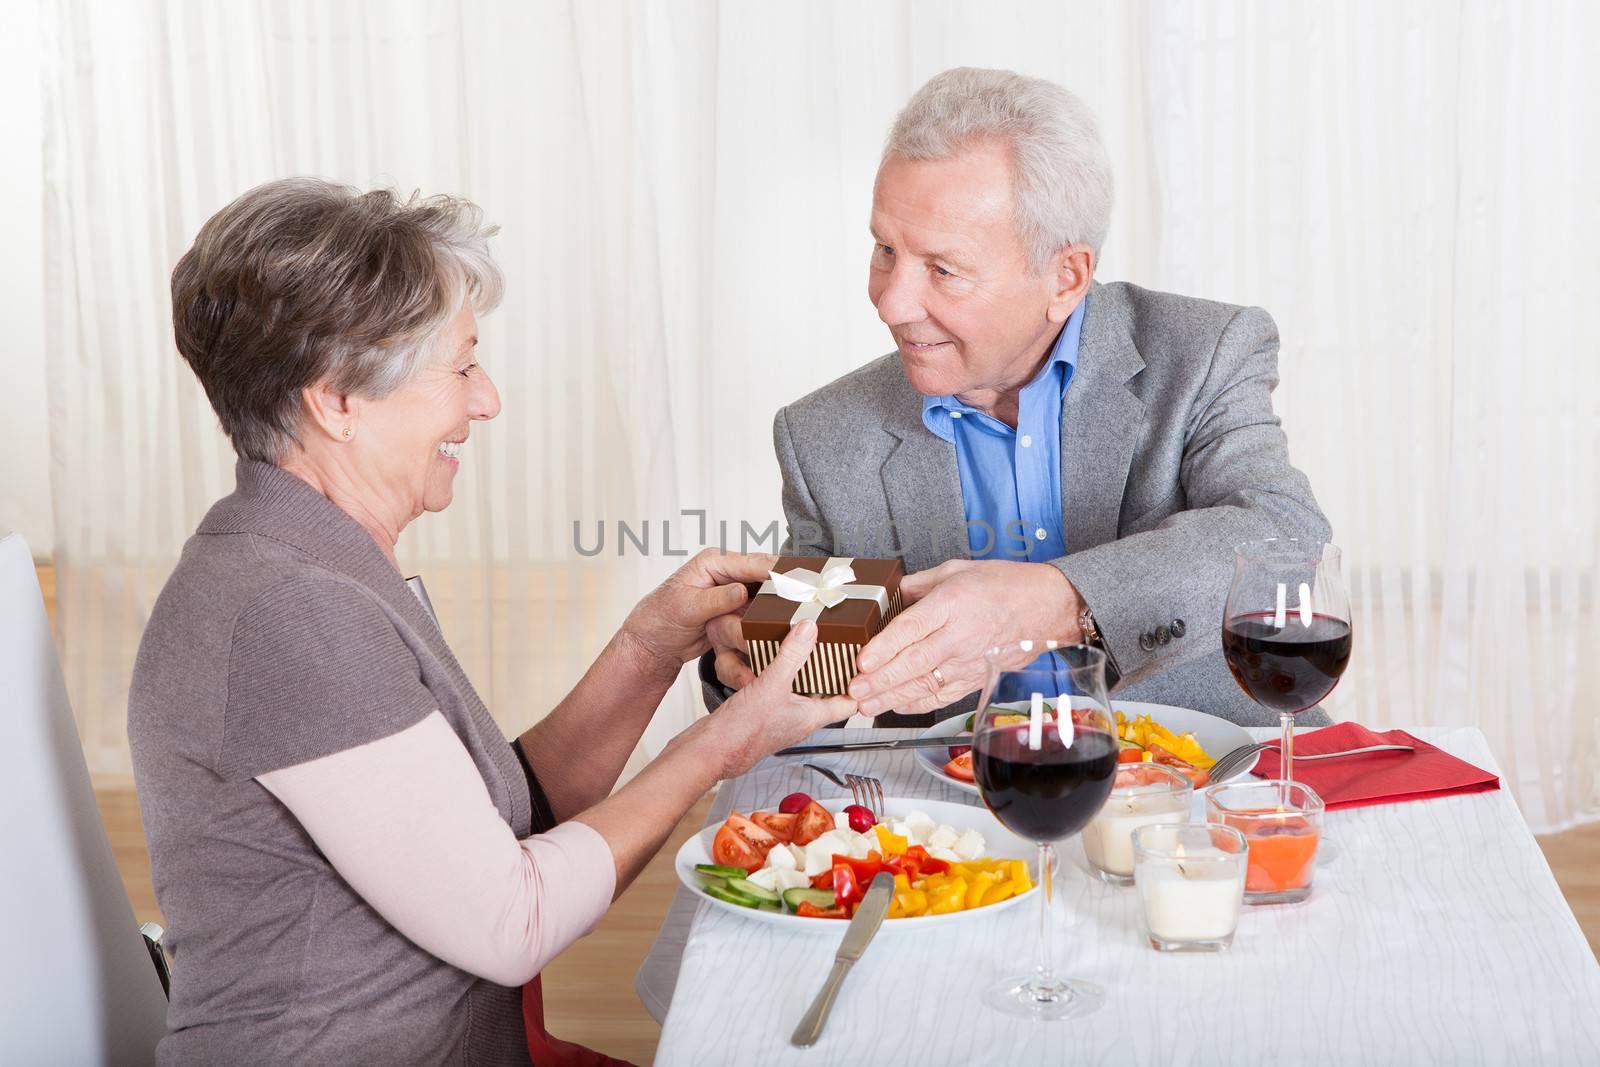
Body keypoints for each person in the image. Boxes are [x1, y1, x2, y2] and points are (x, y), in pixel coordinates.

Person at [128, 178, 855, 1064]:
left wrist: (648, 647)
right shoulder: (293, 612)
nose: (488, 400)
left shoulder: (301, 559)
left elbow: (493, 822)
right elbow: (515, 916)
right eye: (463, 365)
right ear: (337, 400)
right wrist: (729, 740)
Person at [702, 67, 1331, 727]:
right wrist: (737, 670)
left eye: (943, 270)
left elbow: (1288, 538)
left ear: (1067, 276)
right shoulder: (822, 437)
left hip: (1217, 789)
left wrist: (1060, 602)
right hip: (960, 813)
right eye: (885, 249)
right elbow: (810, 681)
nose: (890, 301)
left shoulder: (1205, 352)